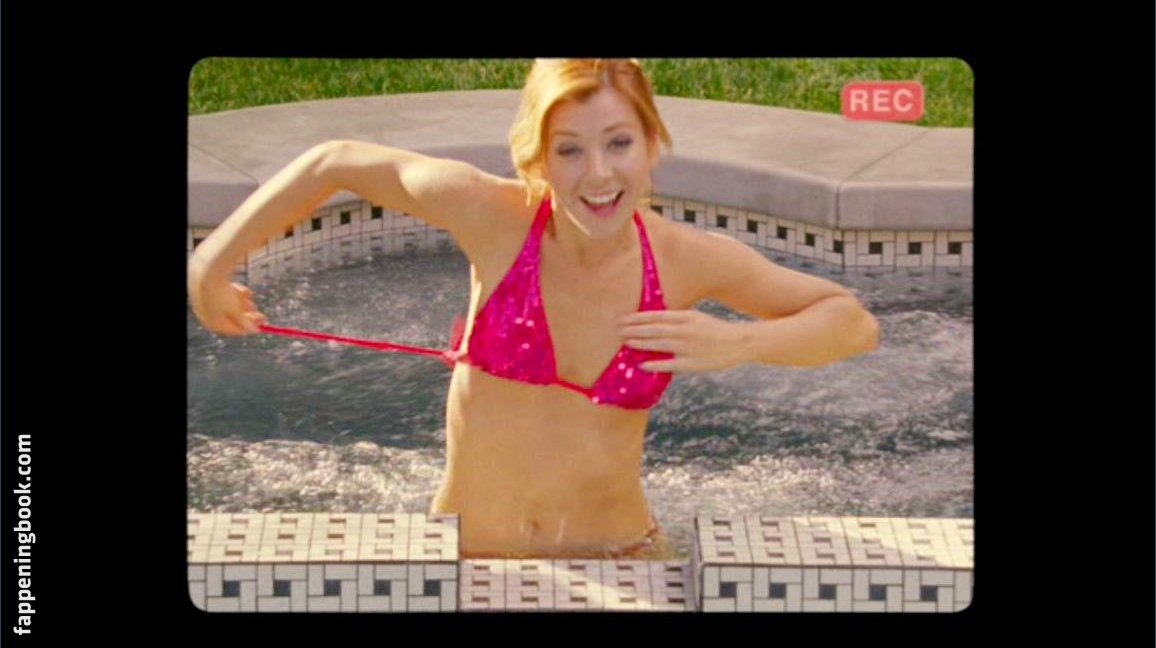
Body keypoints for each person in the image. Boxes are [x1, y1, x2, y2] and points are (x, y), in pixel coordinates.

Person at [187, 59, 879, 559]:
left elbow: (852, 322)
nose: (598, 174)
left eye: (618, 143)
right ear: (539, 159)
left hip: (622, 558)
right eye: (569, 150)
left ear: (652, 145)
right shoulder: (493, 219)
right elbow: (334, 161)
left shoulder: (684, 260)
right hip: (470, 560)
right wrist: (210, 264)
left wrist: (739, 344)